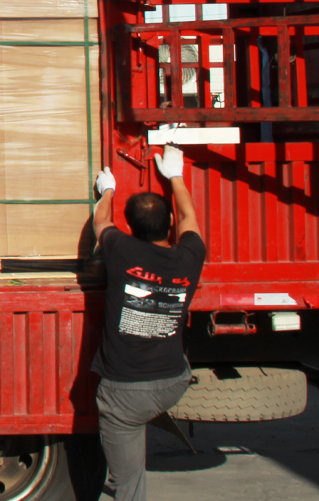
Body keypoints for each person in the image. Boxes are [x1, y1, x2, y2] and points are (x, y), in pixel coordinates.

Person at [90, 145, 206, 501]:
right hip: (173, 380)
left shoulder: (121, 250)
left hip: (124, 392)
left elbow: (100, 222)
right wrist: (176, 176)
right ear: (168, 224)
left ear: (130, 227)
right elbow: (188, 218)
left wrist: (107, 189)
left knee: (128, 484)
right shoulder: (189, 257)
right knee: (128, 467)